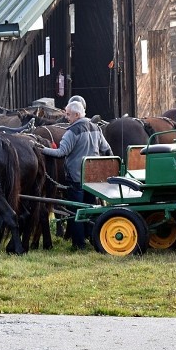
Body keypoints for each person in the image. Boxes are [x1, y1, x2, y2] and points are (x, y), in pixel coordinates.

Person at [39, 100, 112, 250]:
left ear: (77, 114)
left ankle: (79, 244)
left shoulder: (72, 132)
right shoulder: (96, 128)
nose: (66, 117)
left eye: (68, 114)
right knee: (91, 207)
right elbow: (106, 149)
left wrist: (41, 149)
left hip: (76, 178)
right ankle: (92, 237)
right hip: (93, 178)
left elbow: (61, 153)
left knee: (76, 211)